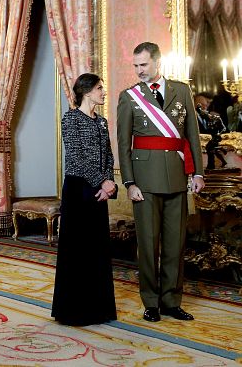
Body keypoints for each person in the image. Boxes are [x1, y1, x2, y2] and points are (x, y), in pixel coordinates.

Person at [117, 41, 204, 322]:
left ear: (157, 62)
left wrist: (198, 173)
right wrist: (129, 182)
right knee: (148, 243)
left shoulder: (181, 90)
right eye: (136, 66)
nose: (139, 71)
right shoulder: (129, 96)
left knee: (175, 244)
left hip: (177, 177)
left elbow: (191, 134)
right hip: (144, 181)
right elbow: (123, 143)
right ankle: (151, 302)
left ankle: (171, 300)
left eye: (143, 65)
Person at [51, 73, 117, 326]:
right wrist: (102, 181)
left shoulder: (101, 122)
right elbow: (76, 158)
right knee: (77, 249)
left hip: (100, 190)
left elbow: (108, 156)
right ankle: (75, 311)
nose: (103, 92)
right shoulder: (71, 119)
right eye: (100, 88)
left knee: (97, 248)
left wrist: (109, 183)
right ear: (87, 91)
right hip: (78, 190)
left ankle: (99, 309)